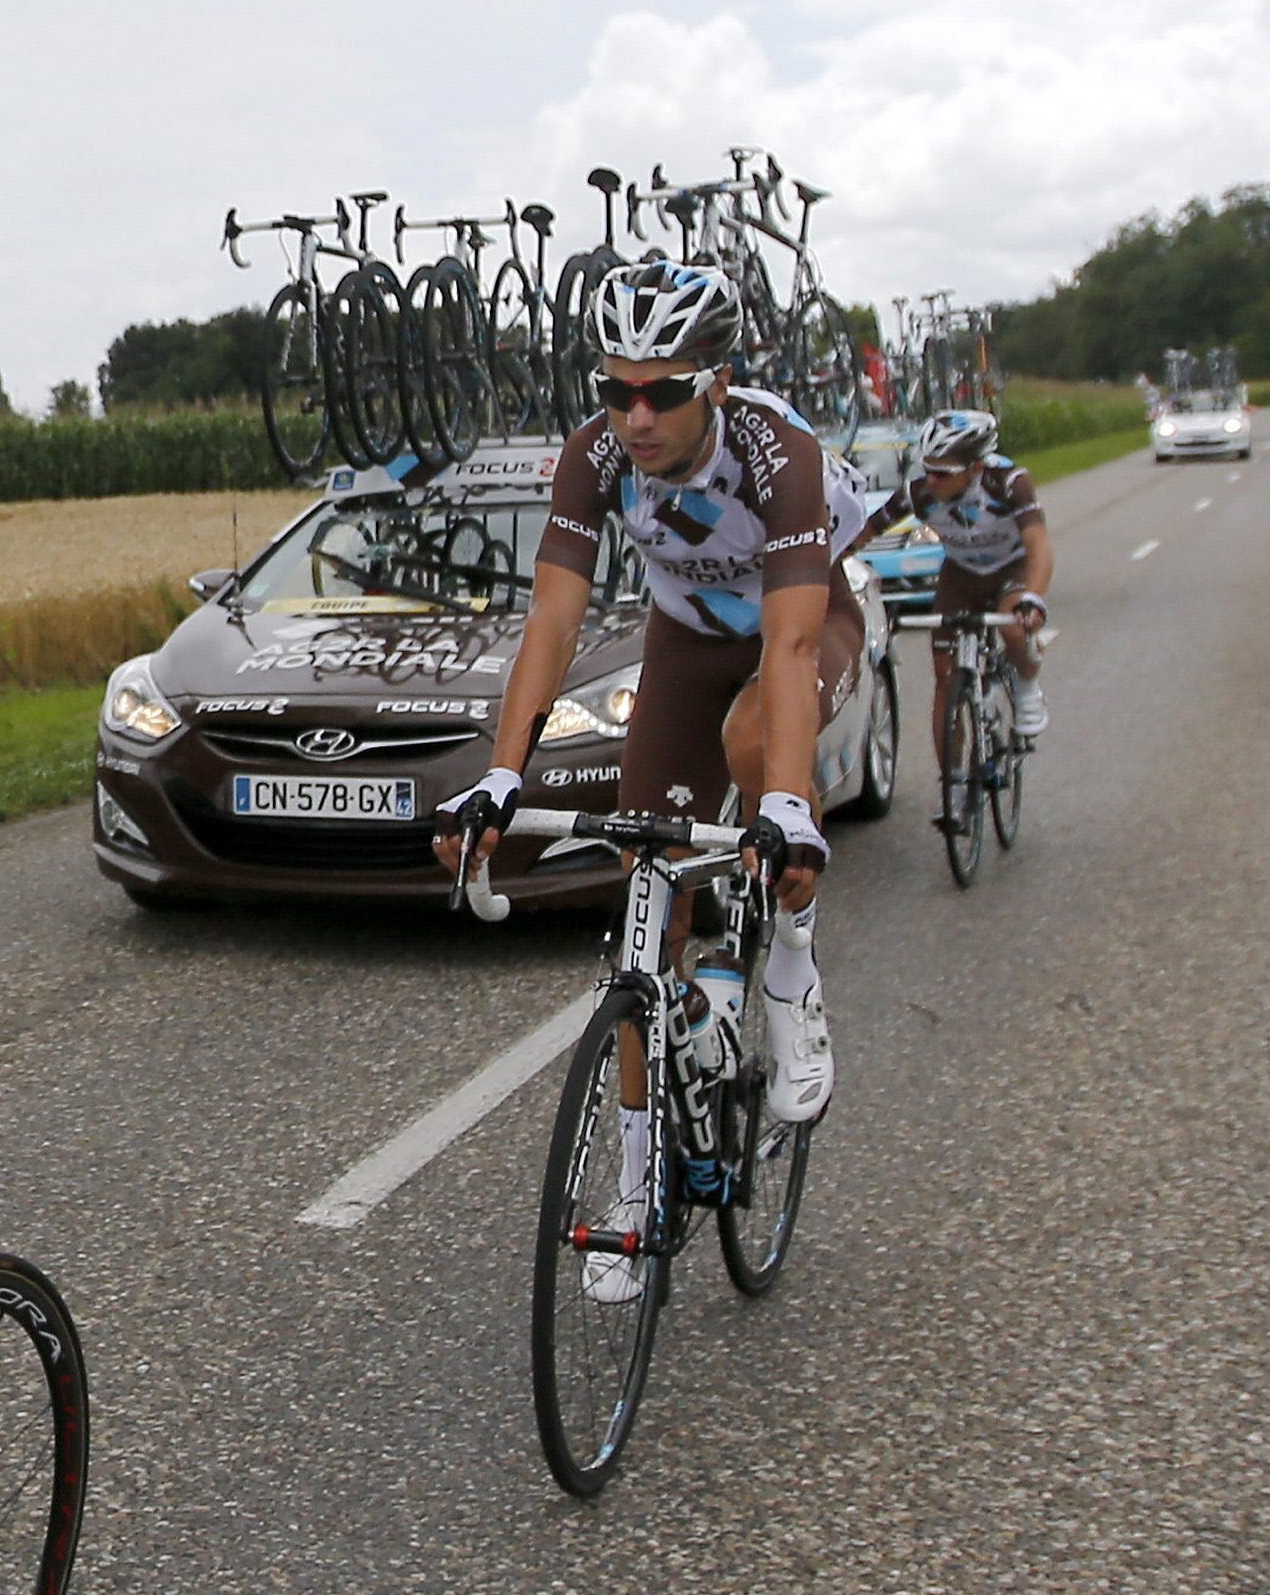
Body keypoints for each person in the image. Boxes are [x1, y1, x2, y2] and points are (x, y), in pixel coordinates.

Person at [439, 260, 872, 1303]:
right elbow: (552, 619)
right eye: (613, 389)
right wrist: (502, 778)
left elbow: (792, 630)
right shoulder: (595, 459)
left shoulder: (778, 452)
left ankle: (789, 970)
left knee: (753, 742)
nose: (635, 415)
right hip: (684, 641)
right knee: (646, 885)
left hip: (800, 630)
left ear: (713, 383)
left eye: (661, 391)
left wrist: (784, 807)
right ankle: (633, 1186)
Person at [873, 406, 1053, 741]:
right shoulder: (921, 493)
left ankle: (1027, 686)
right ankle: (954, 785)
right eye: (927, 470)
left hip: (1010, 568)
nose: (931, 480)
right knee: (944, 678)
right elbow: (861, 534)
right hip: (962, 573)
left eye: (942, 473)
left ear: (977, 467)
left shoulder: (1009, 483)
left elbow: (1038, 544)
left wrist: (1033, 598)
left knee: (1014, 629)